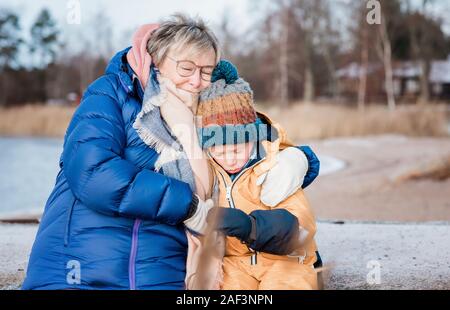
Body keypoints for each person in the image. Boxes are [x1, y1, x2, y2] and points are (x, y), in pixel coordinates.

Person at [22, 15, 319, 290]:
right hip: (80, 262)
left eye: (205, 71)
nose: (196, 81)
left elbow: (252, 137)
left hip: (162, 272)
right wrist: (188, 206)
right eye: (186, 68)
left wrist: (300, 158)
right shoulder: (112, 93)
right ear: (157, 60)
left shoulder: (207, 109)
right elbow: (93, 172)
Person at [195, 73, 319, 289]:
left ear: (252, 139)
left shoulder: (275, 169)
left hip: (286, 261)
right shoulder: (208, 174)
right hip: (235, 263)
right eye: (220, 152)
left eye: (237, 149)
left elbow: (303, 229)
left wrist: (252, 227)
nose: (230, 159)